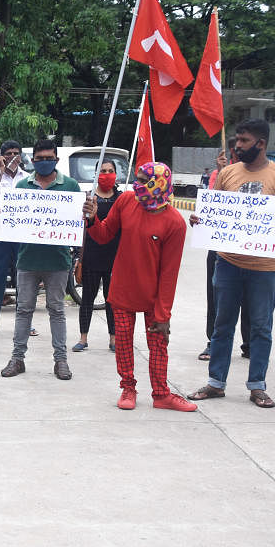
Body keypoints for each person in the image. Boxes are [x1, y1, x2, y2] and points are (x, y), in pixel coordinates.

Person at [188, 118, 275, 409]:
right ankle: (216, 383)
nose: (237, 146)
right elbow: (215, 211)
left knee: (261, 328)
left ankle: (257, 386)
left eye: (244, 141)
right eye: (237, 140)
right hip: (227, 264)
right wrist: (200, 220)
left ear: (261, 144)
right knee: (222, 325)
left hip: (264, 269)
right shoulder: (227, 174)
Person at [84, 162, 195, 411]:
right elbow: (103, 235)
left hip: (154, 297)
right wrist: (92, 220)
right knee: (123, 340)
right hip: (123, 290)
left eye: (145, 180)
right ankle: (128, 388)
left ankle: (161, 394)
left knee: (157, 344)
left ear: (159, 183)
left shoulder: (175, 223)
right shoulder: (126, 201)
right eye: (138, 179)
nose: (138, 184)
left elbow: (170, 274)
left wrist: (163, 313)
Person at [3, 139, 81, 381]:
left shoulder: (70, 186)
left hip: (58, 262)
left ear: (56, 159)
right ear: (33, 160)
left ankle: (61, 361)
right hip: (27, 260)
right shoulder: (22, 187)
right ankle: (17, 359)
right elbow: (12, 221)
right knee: (23, 310)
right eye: (40, 159)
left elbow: (79, 223)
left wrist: (80, 251)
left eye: (49, 158)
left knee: (57, 310)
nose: (45, 162)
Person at [200, 139, 249, 361]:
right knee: (216, 295)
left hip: (250, 249)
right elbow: (215, 206)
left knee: (251, 299)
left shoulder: (263, 174)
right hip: (220, 247)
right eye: (235, 146)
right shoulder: (219, 175)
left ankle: (249, 343)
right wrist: (221, 174)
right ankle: (214, 341)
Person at [75, 159, 118, 353]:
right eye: (103, 171)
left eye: (110, 171)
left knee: (112, 300)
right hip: (92, 255)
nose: (107, 174)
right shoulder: (88, 199)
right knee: (87, 300)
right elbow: (80, 227)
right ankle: (83, 339)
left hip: (115, 258)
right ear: (96, 175)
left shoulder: (122, 198)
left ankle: (114, 339)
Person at [0, 140, 27, 335]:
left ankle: (26, 323)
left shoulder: (27, 178)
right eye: (8, 153)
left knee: (24, 280)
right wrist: (2, 172)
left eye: (16, 153)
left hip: (21, 235)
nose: (12, 157)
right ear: (1, 156)